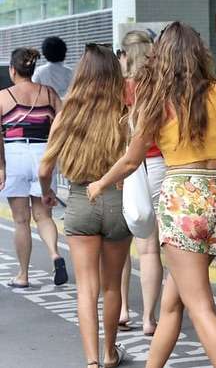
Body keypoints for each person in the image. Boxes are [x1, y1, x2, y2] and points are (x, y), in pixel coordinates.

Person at [87, 22, 216, 368]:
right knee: (172, 303)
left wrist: (100, 183)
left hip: (182, 201)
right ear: (199, 52)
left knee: (200, 307)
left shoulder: (157, 100)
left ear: (161, 56)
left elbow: (132, 159)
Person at [38, 43, 131, 368]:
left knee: (86, 288)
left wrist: (47, 193)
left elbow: (44, 169)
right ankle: (109, 354)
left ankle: (91, 361)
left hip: (80, 200)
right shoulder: (125, 112)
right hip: (118, 201)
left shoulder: (66, 114)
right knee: (112, 285)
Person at [1, 47, 66, 289]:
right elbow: (63, 123)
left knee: (21, 220)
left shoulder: (3, 96)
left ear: (12, 70)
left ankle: (23, 275)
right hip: (43, 153)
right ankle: (55, 255)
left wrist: (1, 167)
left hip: (14, 153)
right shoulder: (49, 94)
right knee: (43, 215)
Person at [116, 30, 164, 337]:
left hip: (125, 166)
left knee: (123, 243)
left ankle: (122, 309)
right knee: (150, 249)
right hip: (159, 163)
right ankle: (149, 318)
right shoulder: (161, 87)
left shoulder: (118, 89)